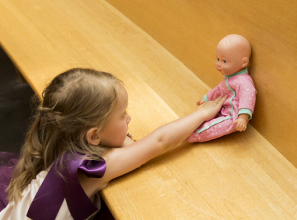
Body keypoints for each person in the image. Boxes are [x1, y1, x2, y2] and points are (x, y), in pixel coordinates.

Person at [0, 68, 225, 220]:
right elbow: (159, 142)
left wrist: (122, 139)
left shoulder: (63, 141)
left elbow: (129, 144)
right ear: (93, 136)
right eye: (122, 115)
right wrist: (202, 113)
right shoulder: (88, 169)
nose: (129, 119)